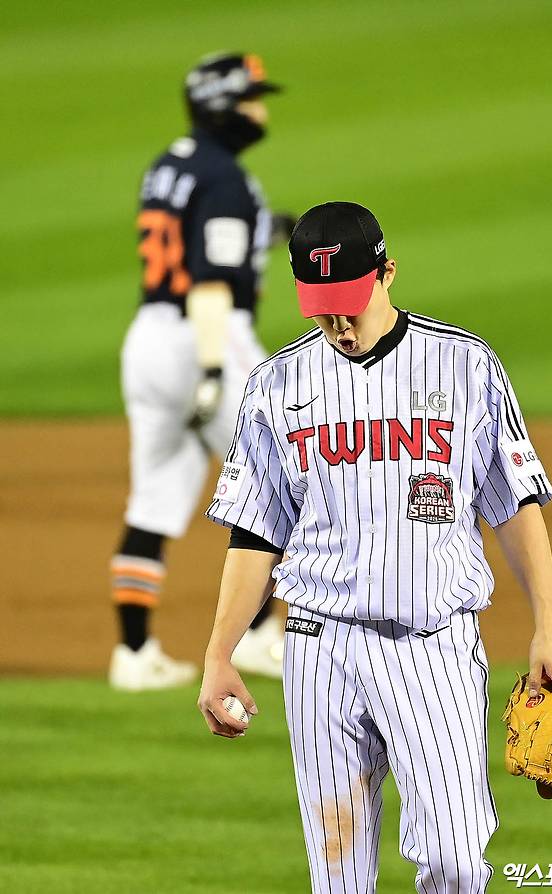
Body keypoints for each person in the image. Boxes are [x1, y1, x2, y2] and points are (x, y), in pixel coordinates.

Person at [198, 202, 552, 892]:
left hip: (433, 648)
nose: (340, 327)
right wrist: (219, 652)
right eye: (323, 312)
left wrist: (549, 626)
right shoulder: (274, 385)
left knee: (457, 860)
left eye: (351, 305)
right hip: (319, 650)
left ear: (388, 274)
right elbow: (255, 530)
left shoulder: (465, 365)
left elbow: (515, 504)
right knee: (338, 875)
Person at [109, 52, 294, 691]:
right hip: (206, 336)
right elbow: (212, 279)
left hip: (148, 342)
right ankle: (262, 637)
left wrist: (271, 229)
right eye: (250, 98)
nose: (260, 109)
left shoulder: (171, 164)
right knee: (284, 480)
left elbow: (197, 237)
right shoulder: (226, 178)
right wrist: (213, 370)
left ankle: (134, 652)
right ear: (223, 106)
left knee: (153, 497)